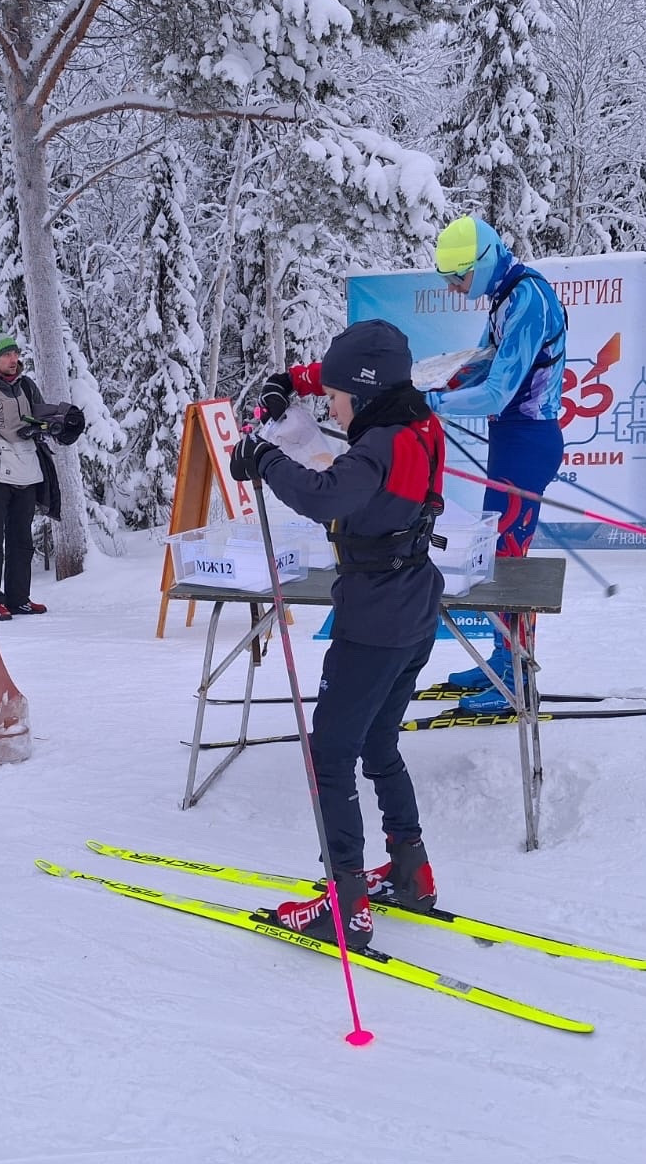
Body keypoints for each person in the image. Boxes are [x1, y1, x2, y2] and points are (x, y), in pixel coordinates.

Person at [232, 318, 445, 949]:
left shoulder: (380, 447)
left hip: (375, 619)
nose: (326, 405)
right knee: (379, 744)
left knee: (329, 757)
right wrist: (284, 385)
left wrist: (265, 457)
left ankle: (344, 901)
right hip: (414, 609)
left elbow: (324, 496)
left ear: (367, 393)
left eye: (335, 397)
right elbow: (334, 383)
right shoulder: (417, 421)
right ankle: (411, 869)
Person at [424, 215, 568, 712]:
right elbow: (487, 361)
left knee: (508, 563)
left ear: (483, 262)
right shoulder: (505, 296)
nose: (457, 288)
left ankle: (516, 678)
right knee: (495, 557)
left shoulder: (528, 299)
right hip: (511, 440)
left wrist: (432, 405)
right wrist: (437, 380)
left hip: (528, 441)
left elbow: (498, 391)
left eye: (460, 277)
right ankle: (499, 659)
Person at [0, 325, 84, 621]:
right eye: (7, 354)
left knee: (22, 541)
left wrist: (58, 423)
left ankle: (19, 598)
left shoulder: (26, 385)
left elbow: (38, 419)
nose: (13, 358)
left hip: (27, 474)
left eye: (16, 353)